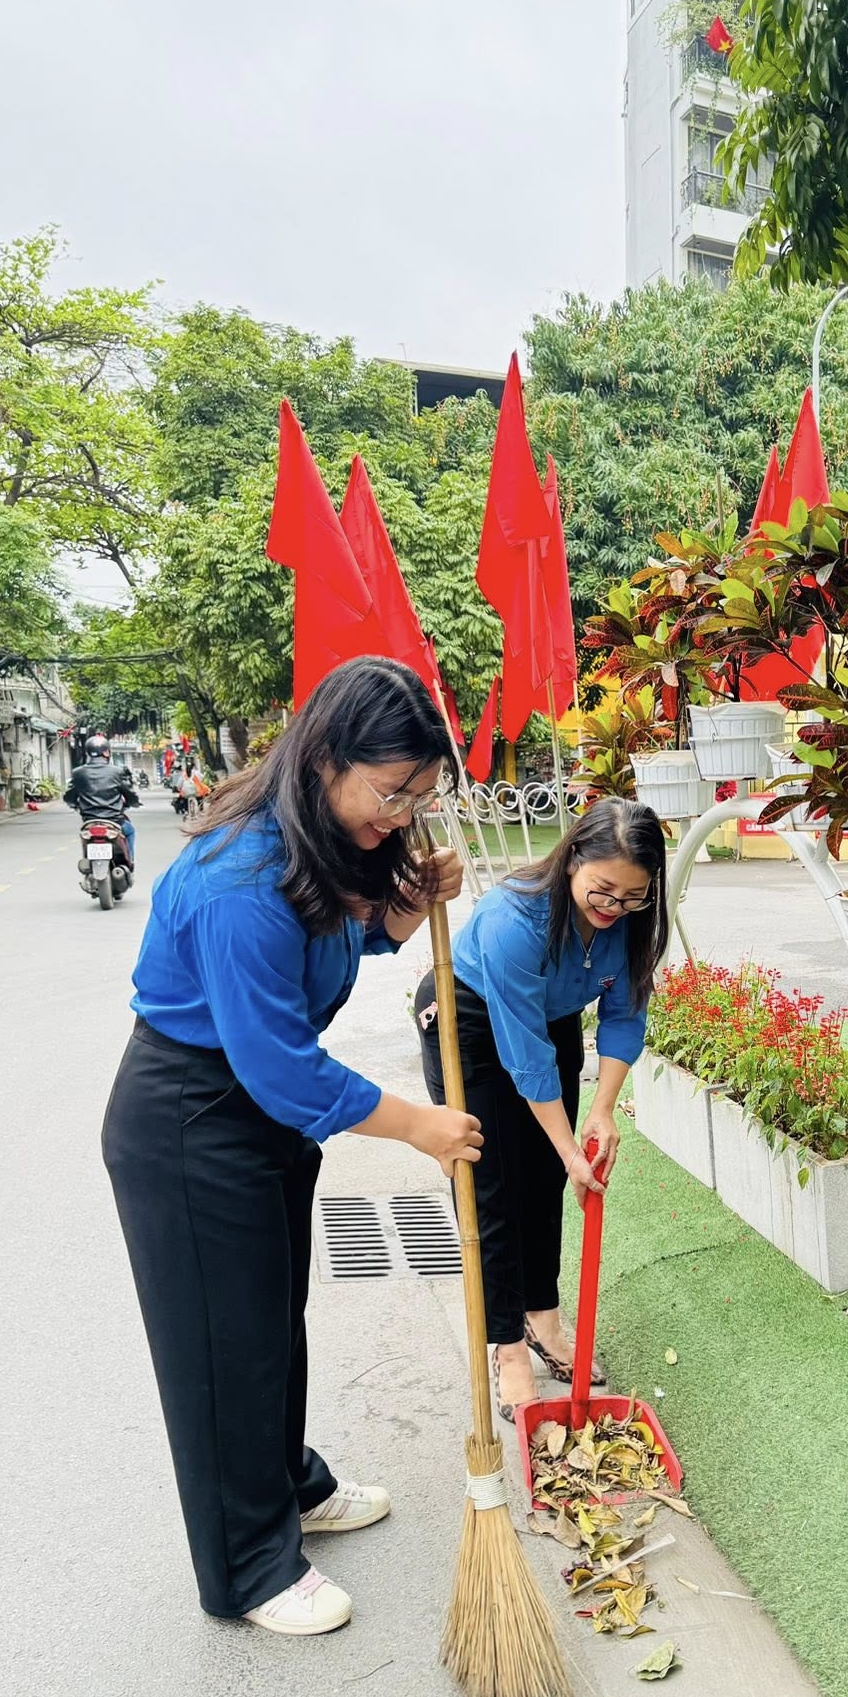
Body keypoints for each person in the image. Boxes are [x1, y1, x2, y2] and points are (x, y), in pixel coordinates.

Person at [102, 658, 484, 1637]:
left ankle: (287, 1484)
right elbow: (281, 1067)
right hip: (192, 1118)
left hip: (251, 1114)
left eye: (419, 797)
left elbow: (334, 948)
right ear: (324, 759)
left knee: (271, 1318)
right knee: (221, 1347)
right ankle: (247, 1565)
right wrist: (420, 1127)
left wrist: (403, 906)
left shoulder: (313, 844)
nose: (400, 817)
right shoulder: (240, 878)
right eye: (391, 792)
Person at [413, 798, 669, 1420]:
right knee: (493, 1186)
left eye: (632, 897)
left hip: (548, 1021)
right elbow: (524, 1057)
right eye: (602, 891)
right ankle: (507, 1349)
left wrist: (603, 1111)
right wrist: (565, 1143)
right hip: (469, 1022)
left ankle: (543, 1320)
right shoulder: (513, 918)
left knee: (546, 1183)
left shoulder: (630, 918)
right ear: (573, 857)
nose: (614, 909)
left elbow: (624, 1014)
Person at [65, 732, 139, 871]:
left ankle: (87, 862)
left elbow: (69, 796)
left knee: (84, 836)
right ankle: (130, 862)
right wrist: (133, 802)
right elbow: (129, 793)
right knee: (130, 831)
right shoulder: (117, 772)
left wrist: (73, 804)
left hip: (89, 821)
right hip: (115, 821)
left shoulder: (78, 772)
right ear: (106, 752)